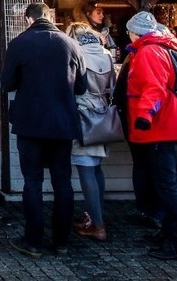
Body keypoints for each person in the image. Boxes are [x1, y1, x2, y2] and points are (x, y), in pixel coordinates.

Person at [1, 2, 86, 258]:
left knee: (33, 183)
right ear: (49, 17)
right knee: (63, 183)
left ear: (29, 19)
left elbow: (8, 84)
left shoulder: (19, 43)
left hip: (31, 122)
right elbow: (81, 87)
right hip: (62, 124)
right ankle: (62, 241)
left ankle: (33, 241)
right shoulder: (71, 44)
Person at [124, 10, 177, 259]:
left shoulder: (149, 52)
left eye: (129, 30)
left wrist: (144, 116)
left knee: (166, 185)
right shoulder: (161, 48)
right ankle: (169, 233)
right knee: (167, 183)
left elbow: (154, 87)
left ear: (136, 32)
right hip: (167, 124)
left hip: (160, 127)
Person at [66, 22, 116, 242]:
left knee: (86, 170)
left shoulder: (75, 53)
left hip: (82, 114)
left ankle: (97, 224)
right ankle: (94, 216)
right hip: (101, 112)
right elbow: (112, 85)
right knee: (96, 169)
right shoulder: (105, 54)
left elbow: (70, 85)